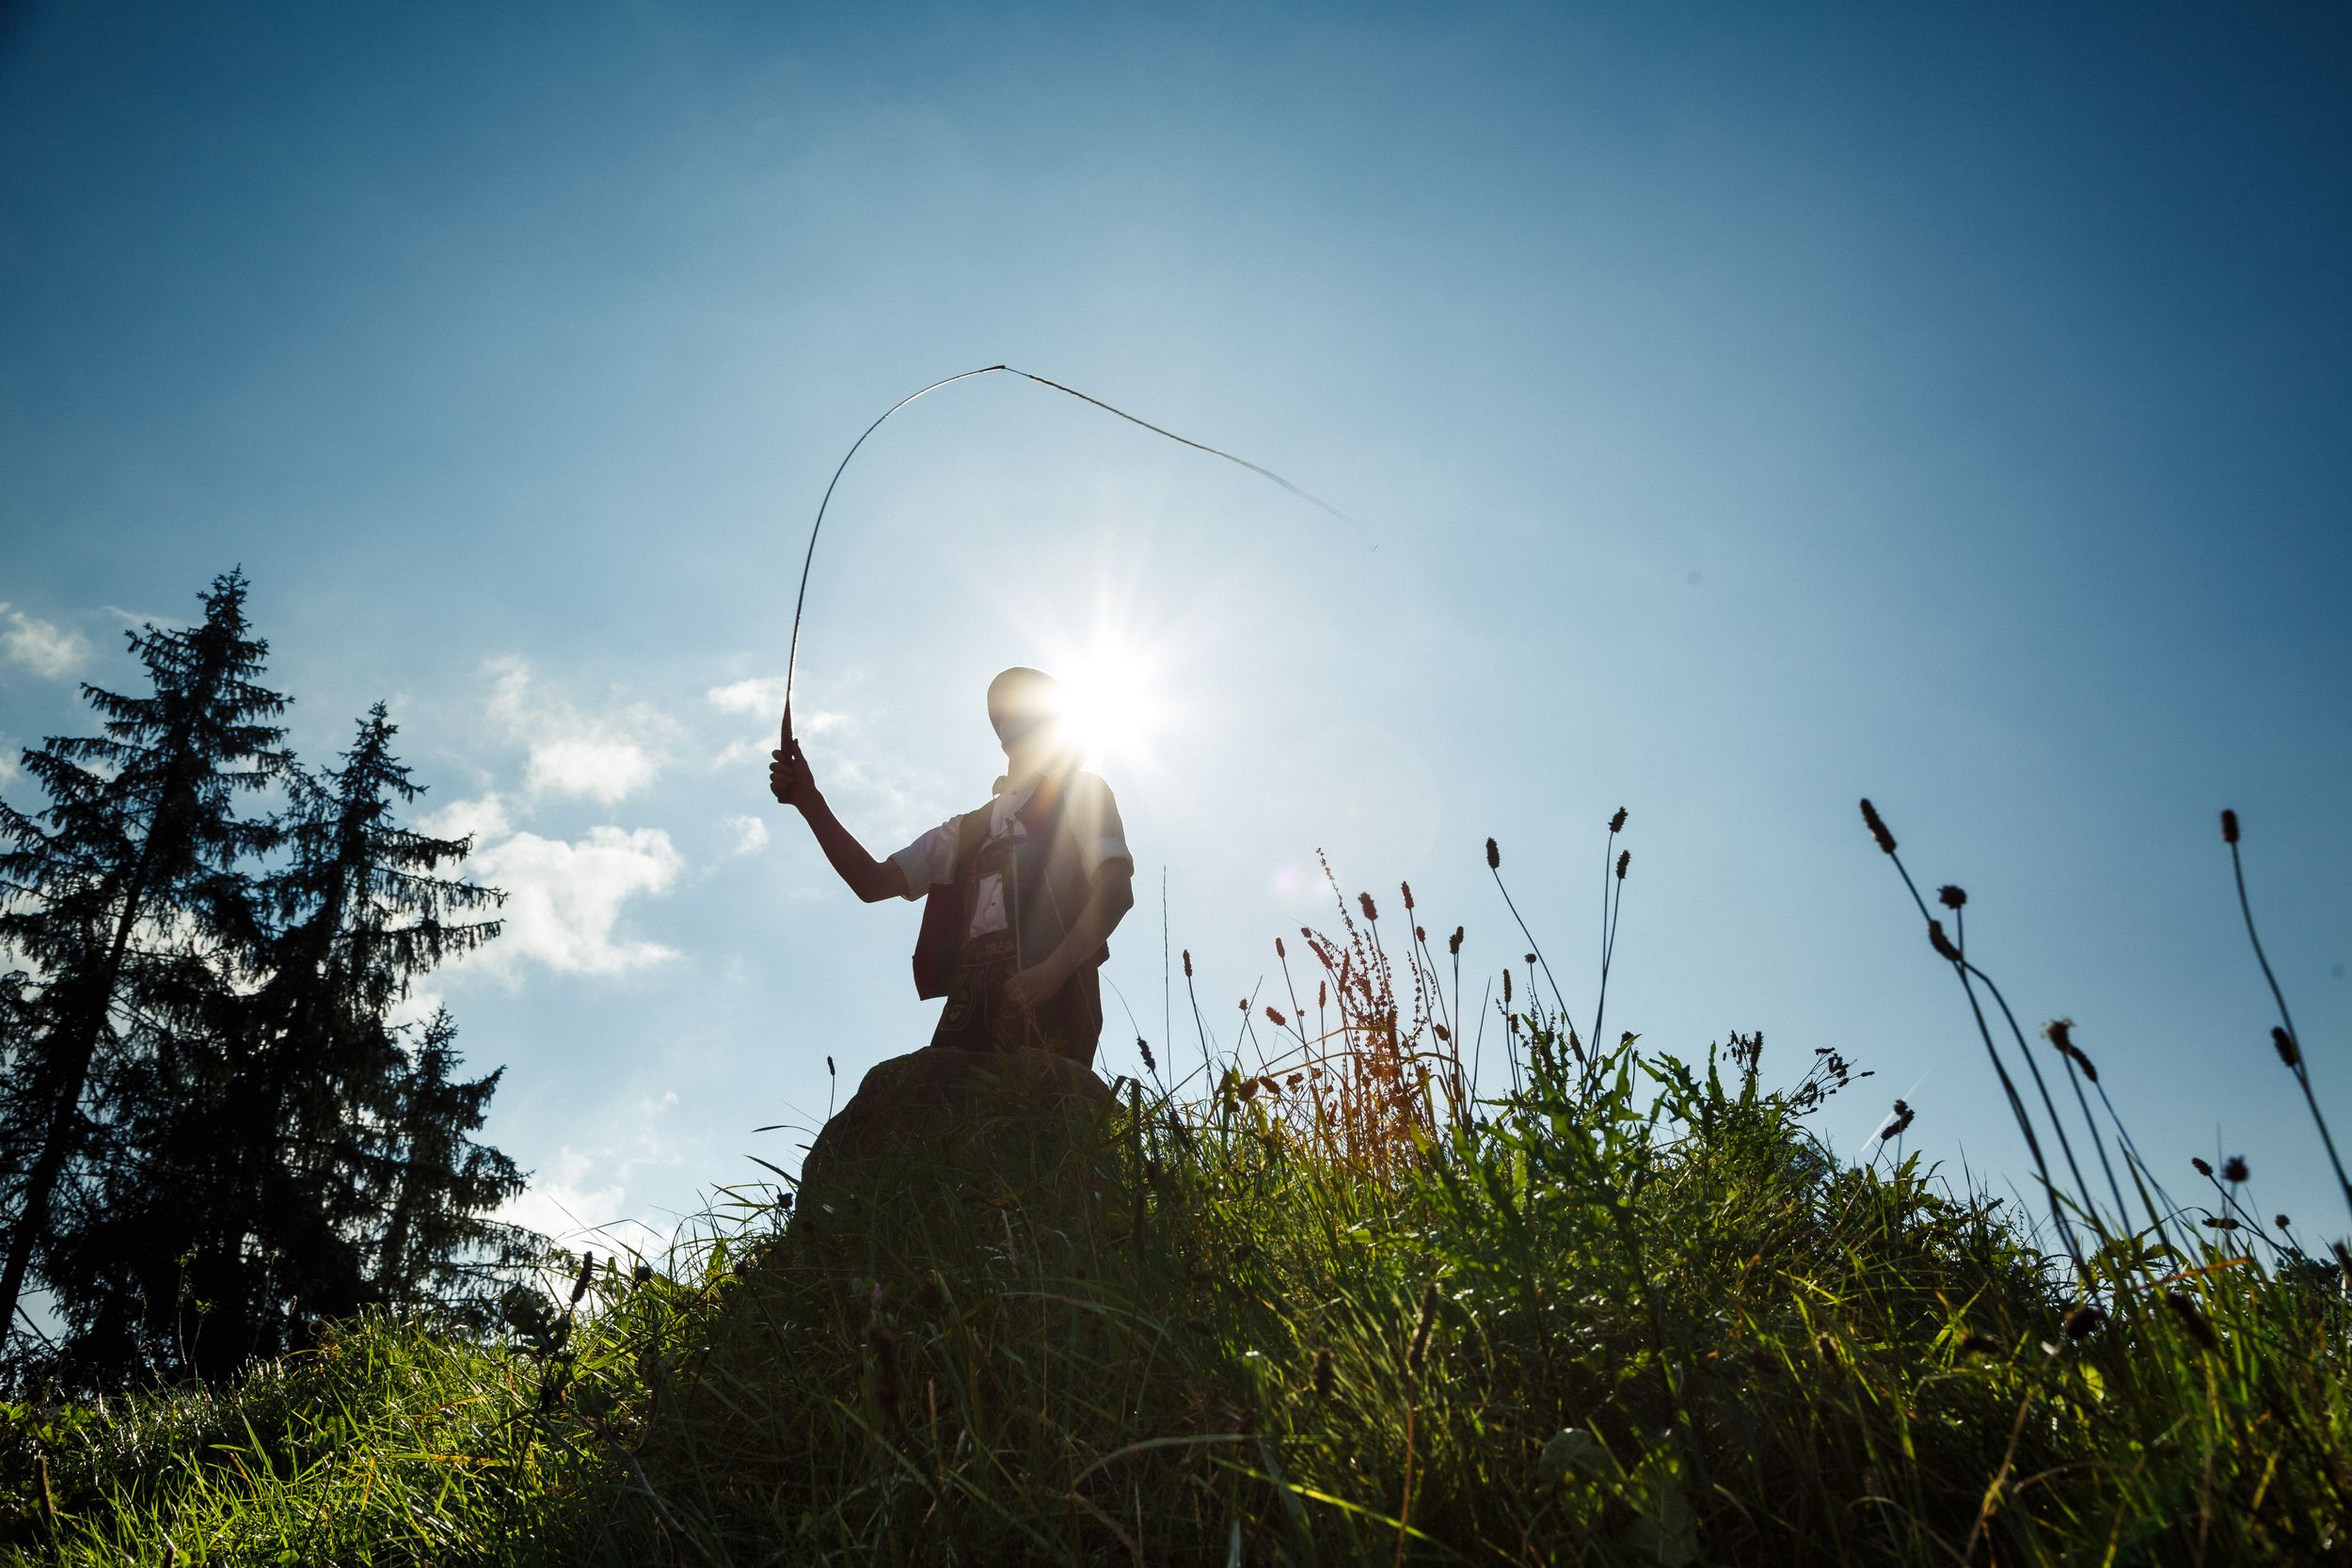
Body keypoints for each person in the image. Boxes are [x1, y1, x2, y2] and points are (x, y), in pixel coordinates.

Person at [769, 668, 1136, 1069]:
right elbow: (871, 881)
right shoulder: (967, 830)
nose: (1011, 719)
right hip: (971, 1000)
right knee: (946, 1115)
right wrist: (809, 800)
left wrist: (1054, 970)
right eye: (1005, 712)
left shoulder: (1083, 792)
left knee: (1045, 1117)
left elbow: (1115, 891)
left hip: (1054, 988)